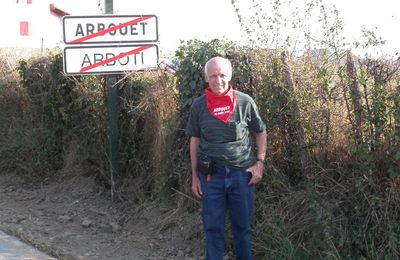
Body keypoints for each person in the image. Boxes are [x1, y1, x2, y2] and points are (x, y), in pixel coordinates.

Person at [186, 56, 267, 260]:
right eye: (213, 75)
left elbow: (261, 131)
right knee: (213, 230)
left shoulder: (244, 101)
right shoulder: (199, 105)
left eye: (222, 75)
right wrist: (195, 176)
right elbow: (194, 141)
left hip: (242, 175)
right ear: (206, 77)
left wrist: (260, 163)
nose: (218, 80)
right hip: (212, 177)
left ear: (229, 76)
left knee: (243, 230)